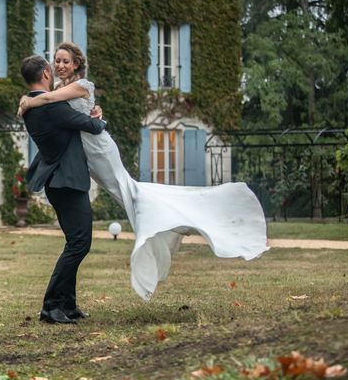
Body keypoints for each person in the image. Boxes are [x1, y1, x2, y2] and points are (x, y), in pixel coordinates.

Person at [19, 42, 269, 301]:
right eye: (56, 61)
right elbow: (58, 107)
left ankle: (176, 220)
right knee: (123, 197)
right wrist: (88, 113)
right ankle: (167, 219)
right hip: (84, 153)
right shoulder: (59, 90)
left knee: (130, 192)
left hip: (99, 148)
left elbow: (47, 99)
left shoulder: (81, 86)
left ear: (76, 65)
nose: (60, 65)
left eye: (65, 61)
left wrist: (28, 100)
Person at [20, 54, 107, 324]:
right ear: (47, 73)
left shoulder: (30, 107)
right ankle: (52, 305)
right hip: (66, 181)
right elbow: (92, 126)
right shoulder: (53, 108)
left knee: (75, 242)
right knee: (80, 243)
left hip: (59, 182)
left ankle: (68, 305)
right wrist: (98, 116)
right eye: (53, 65)